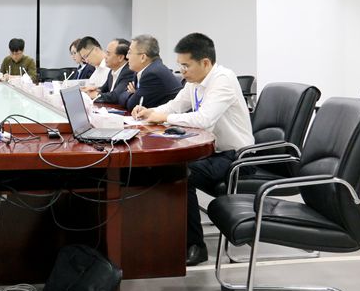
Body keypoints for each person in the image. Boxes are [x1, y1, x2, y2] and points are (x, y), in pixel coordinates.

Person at [131, 33, 254, 266]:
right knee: (165, 167)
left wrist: (164, 117)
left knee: (180, 173)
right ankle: (167, 232)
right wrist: (150, 112)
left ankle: (195, 246)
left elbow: (204, 119)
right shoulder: (196, 81)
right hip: (213, 152)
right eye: (180, 65)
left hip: (237, 158)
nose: (182, 71)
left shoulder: (223, 80)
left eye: (186, 66)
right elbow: (176, 105)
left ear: (205, 62)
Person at [121, 34, 182, 110]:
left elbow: (132, 105)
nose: (127, 57)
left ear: (143, 57)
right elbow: (121, 95)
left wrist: (134, 94)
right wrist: (134, 95)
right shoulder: (141, 71)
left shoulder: (152, 74)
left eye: (130, 52)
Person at [82, 38, 135, 104]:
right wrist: (94, 90)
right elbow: (104, 89)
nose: (105, 57)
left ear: (120, 57)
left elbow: (116, 96)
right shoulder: (112, 71)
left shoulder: (129, 72)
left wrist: (96, 95)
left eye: (108, 54)